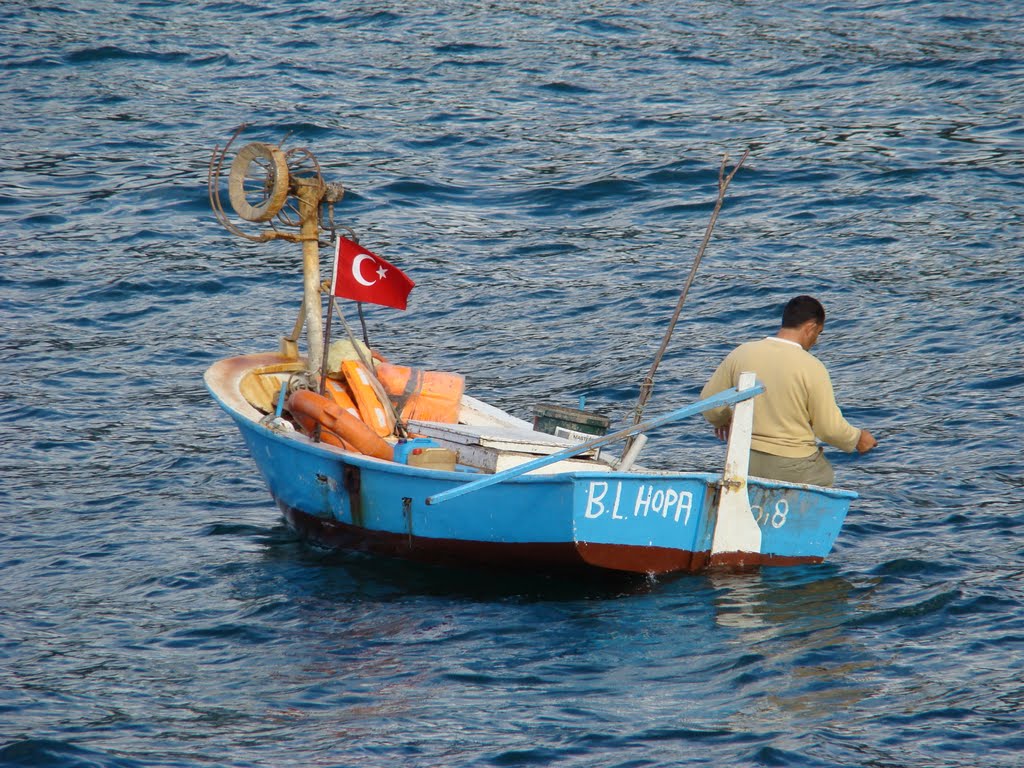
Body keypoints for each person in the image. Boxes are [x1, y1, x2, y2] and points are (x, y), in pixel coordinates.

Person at [700, 295, 877, 487]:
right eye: (818, 332)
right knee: (824, 476)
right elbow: (828, 429)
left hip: (746, 460)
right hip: (794, 466)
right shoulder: (812, 367)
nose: (816, 341)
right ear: (810, 327)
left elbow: (710, 403)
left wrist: (724, 420)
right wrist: (858, 438)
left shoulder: (741, 353)